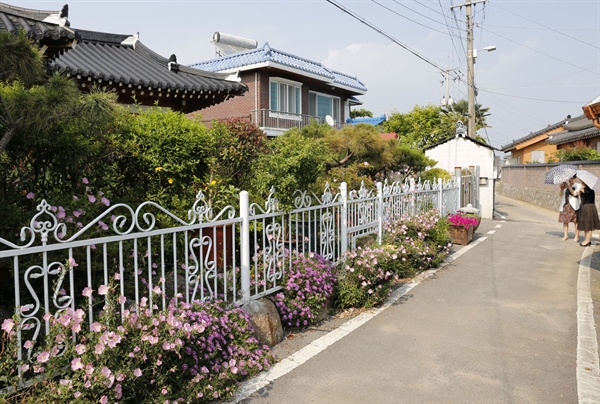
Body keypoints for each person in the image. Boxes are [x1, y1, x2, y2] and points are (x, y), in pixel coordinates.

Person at [574, 179, 600, 247]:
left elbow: (588, 193)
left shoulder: (589, 189)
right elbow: (577, 196)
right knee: (585, 224)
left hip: (588, 208)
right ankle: (587, 240)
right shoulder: (583, 188)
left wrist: (582, 190)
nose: (581, 182)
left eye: (582, 180)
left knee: (588, 224)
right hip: (584, 207)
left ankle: (587, 240)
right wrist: (579, 192)